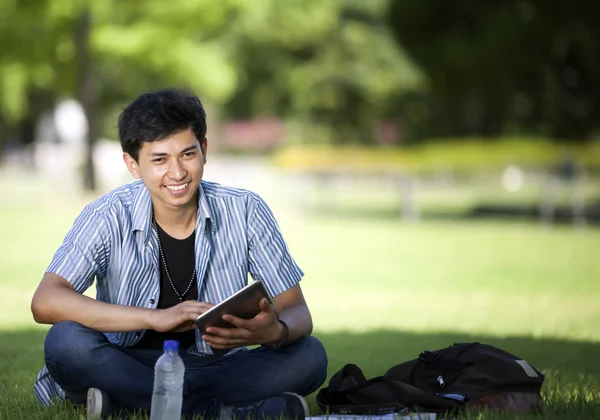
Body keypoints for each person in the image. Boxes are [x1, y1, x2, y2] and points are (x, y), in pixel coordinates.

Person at [30, 89, 328, 419]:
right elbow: (46, 301)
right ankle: (221, 412)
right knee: (66, 342)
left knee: (310, 355)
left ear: (204, 149)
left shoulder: (245, 210)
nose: (177, 173)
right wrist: (155, 318)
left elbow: (297, 311)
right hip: (129, 360)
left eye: (187, 154)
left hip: (218, 365)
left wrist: (276, 332)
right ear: (133, 164)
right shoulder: (107, 214)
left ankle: (130, 403)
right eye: (159, 160)